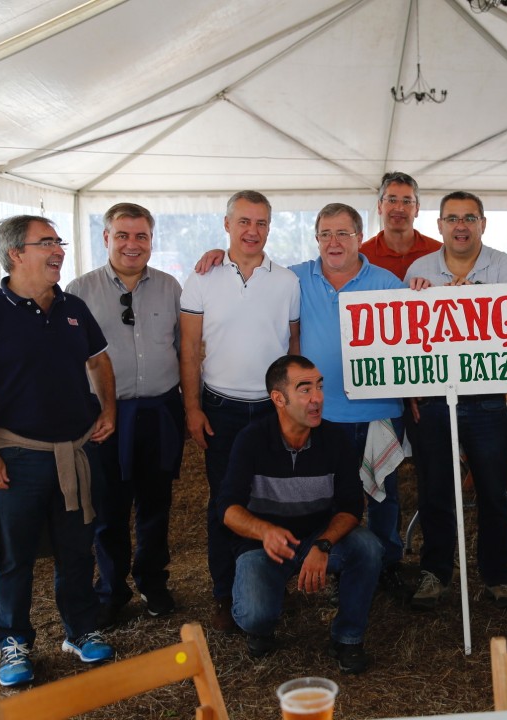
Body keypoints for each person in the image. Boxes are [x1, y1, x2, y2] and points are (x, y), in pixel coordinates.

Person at [195, 204, 409, 586]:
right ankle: (336, 564)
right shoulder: (296, 278)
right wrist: (220, 255)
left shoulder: (389, 283)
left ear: (361, 237)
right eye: (325, 234)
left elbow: (415, 332)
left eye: (343, 233)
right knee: (332, 495)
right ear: (316, 238)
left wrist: (423, 289)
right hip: (321, 412)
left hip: (378, 409)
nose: (334, 242)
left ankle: (385, 566)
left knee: (384, 494)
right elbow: (254, 266)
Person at [0, 215, 117, 686]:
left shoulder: (73, 307)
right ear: (15, 254)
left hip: (75, 451)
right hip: (18, 455)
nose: (59, 250)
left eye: (59, 241)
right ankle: (14, 644)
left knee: (76, 549)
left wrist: (109, 410)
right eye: (47, 242)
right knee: (13, 557)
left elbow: (100, 361)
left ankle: (81, 630)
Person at [180, 190, 301, 631]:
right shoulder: (202, 277)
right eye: (244, 221)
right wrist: (192, 408)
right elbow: (189, 347)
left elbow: (293, 345)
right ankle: (225, 592)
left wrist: (294, 407)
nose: (253, 231)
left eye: (261, 223)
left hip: (272, 411)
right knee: (225, 502)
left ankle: (270, 586)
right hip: (221, 409)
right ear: (227, 224)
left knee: (273, 500)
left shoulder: (286, 281)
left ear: (270, 227)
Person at [220, 355, 382, 673]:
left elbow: (352, 506)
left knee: (369, 547)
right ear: (278, 399)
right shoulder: (251, 439)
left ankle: (348, 638)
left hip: (317, 535)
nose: (317, 398)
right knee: (254, 616)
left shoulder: (335, 439)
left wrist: (323, 544)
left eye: (319, 386)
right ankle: (261, 626)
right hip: (264, 545)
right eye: (305, 389)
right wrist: (265, 532)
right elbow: (227, 509)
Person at [66, 203, 185, 628]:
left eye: (141, 236)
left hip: (159, 411)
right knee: (109, 509)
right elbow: (69, 358)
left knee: (156, 503)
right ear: (106, 238)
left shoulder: (171, 287)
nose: (132, 244)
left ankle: (153, 581)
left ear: (151, 240)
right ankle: (112, 590)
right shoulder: (79, 290)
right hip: (105, 416)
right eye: (122, 235)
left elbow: (185, 348)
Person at [404, 191, 507, 610]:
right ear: (439, 225)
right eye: (452, 218)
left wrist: (479, 300)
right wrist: (410, 389)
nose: (461, 226)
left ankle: (498, 575)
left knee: (493, 489)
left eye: (469, 218)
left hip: (486, 397)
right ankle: (435, 573)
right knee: (434, 489)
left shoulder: (504, 267)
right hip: (433, 398)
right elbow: (404, 336)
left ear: (482, 224)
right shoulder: (419, 270)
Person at [359, 171, 442, 279]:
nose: (399, 208)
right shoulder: (361, 256)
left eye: (407, 201)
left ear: (417, 209)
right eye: (392, 200)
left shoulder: (440, 252)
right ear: (379, 207)